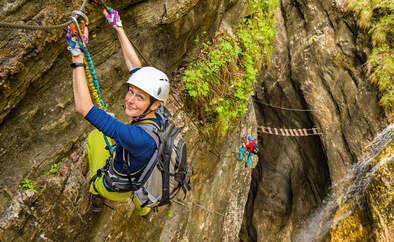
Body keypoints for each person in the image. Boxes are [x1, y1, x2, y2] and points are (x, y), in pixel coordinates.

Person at [66, 8, 170, 215]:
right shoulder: (160, 113)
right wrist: (118, 27)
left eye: (139, 97)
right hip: (146, 170)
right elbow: (136, 69)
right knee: (140, 173)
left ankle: (96, 194)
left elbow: (84, 107)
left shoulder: (136, 137)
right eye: (130, 91)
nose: (129, 99)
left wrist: (77, 56)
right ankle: (143, 209)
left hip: (117, 189)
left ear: (154, 103)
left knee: (96, 137)